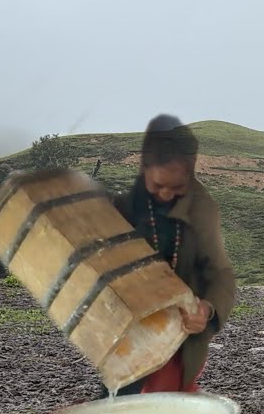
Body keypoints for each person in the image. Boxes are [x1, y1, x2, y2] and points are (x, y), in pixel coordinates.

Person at [97, 114, 236, 396]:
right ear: (145, 167)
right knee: (116, 406)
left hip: (177, 338)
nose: (166, 194)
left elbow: (221, 273)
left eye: (177, 187)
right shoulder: (123, 207)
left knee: (164, 413)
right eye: (158, 185)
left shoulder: (202, 209)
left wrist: (207, 309)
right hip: (127, 334)